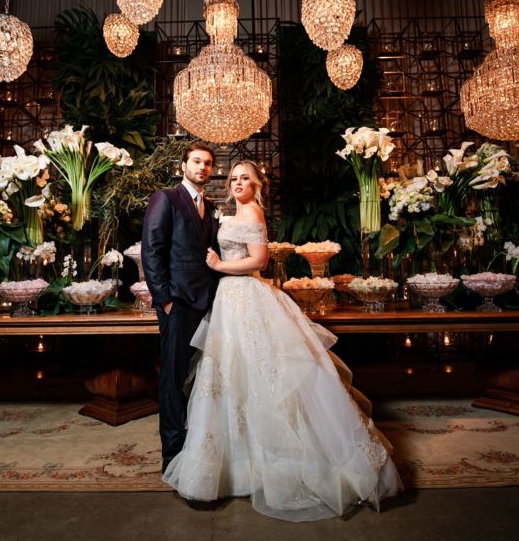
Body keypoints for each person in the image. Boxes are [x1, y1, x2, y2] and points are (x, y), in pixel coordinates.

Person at [162, 160, 401, 521]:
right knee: (231, 377)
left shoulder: (253, 213)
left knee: (263, 375)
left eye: (246, 178)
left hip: (244, 295)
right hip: (228, 299)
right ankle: (237, 463)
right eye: (234, 178)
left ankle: (280, 459)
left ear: (257, 185)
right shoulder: (229, 212)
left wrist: (219, 266)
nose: (239, 182)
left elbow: (259, 260)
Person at [141, 142, 222, 473]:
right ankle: (171, 457)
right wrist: (166, 301)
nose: (202, 167)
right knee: (172, 380)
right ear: (184, 166)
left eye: (208, 163)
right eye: (197, 161)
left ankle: (196, 443)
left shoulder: (211, 204)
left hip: (208, 302)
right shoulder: (167, 198)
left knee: (200, 377)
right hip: (179, 304)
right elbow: (152, 250)